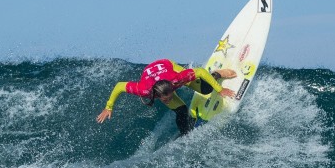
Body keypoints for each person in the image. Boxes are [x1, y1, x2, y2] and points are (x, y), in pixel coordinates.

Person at [96, 59, 236, 135]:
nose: (168, 99)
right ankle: (186, 135)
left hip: (168, 66)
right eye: (166, 99)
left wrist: (220, 89)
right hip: (152, 76)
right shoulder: (144, 90)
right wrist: (108, 107)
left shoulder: (177, 78)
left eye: (170, 96)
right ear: (157, 95)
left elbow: (199, 71)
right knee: (181, 112)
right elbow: (120, 86)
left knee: (206, 89)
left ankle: (217, 74)